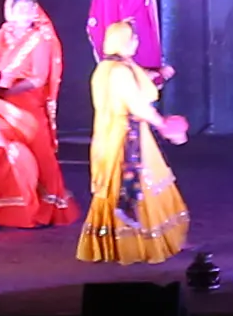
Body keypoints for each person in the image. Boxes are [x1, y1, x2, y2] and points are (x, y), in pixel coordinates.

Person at [77, 18, 191, 267]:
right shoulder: (120, 71)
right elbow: (137, 105)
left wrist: (158, 74)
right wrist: (163, 124)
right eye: (133, 38)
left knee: (112, 186)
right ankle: (140, 244)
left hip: (109, 134)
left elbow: (137, 81)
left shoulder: (106, 67)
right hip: (128, 138)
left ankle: (111, 244)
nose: (137, 42)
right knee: (137, 187)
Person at [0, 0, 73, 229]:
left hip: (25, 102)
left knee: (34, 155)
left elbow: (38, 79)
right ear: (10, 11)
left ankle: (39, 210)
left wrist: (7, 93)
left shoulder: (40, 39)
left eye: (29, 8)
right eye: (19, 9)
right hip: (2, 100)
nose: (25, 13)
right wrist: (1, 93)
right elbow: (3, 68)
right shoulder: (3, 36)